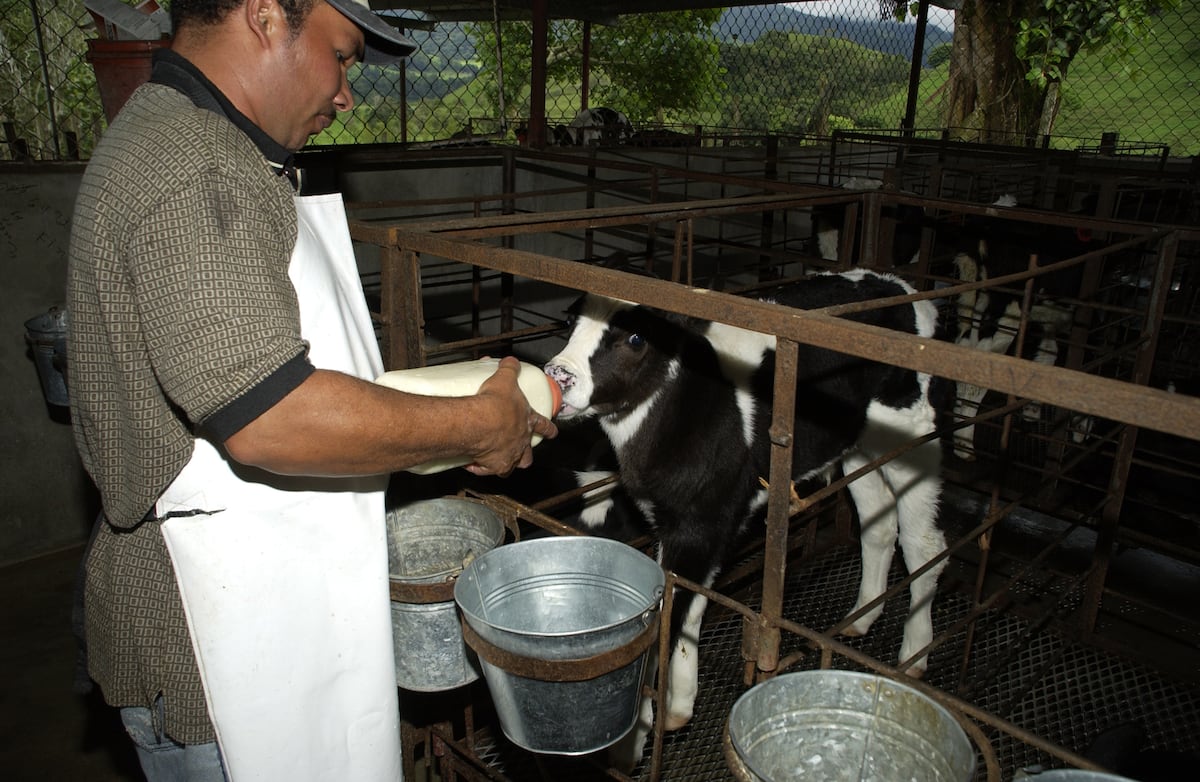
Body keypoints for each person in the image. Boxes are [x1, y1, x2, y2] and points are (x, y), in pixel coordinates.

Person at [66, 1, 558, 780]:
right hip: (213, 647)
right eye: (343, 54)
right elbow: (270, 415)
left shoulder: (208, 147)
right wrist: (474, 427)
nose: (347, 94)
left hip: (261, 604)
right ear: (266, 16)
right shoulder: (194, 166)